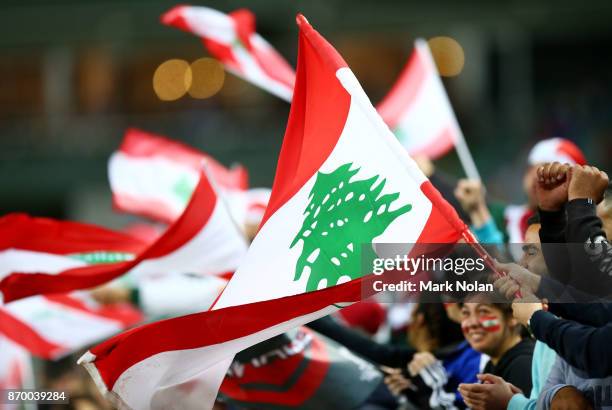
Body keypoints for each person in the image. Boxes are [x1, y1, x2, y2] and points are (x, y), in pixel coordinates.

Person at [488, 138, 586, 260]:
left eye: (556, 180)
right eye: (538, 170)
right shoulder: (499, 216)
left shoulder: (577, 236)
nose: (542, 182)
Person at [458, 293, 534, 408]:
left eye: (483, 311)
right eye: (466, 313)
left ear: (513, 316)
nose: (472, 323)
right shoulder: (493, 364)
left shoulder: (524, 365)